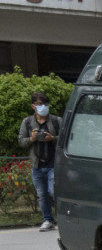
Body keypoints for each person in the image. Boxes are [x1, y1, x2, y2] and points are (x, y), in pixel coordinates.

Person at [18, 91, 61, 231]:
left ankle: (62, 219)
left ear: (48, 105)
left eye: (44, 104)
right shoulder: (27, 122)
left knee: (53, 192)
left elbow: (67, 139)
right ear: (33, 106)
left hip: (53, 164)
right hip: (36, 165)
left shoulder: (56, 121)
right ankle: (47, 220)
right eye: (38, 104)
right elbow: (21, 141)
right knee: (42, 195)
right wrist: (32, 138)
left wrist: (52, 138)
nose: (42, 106)